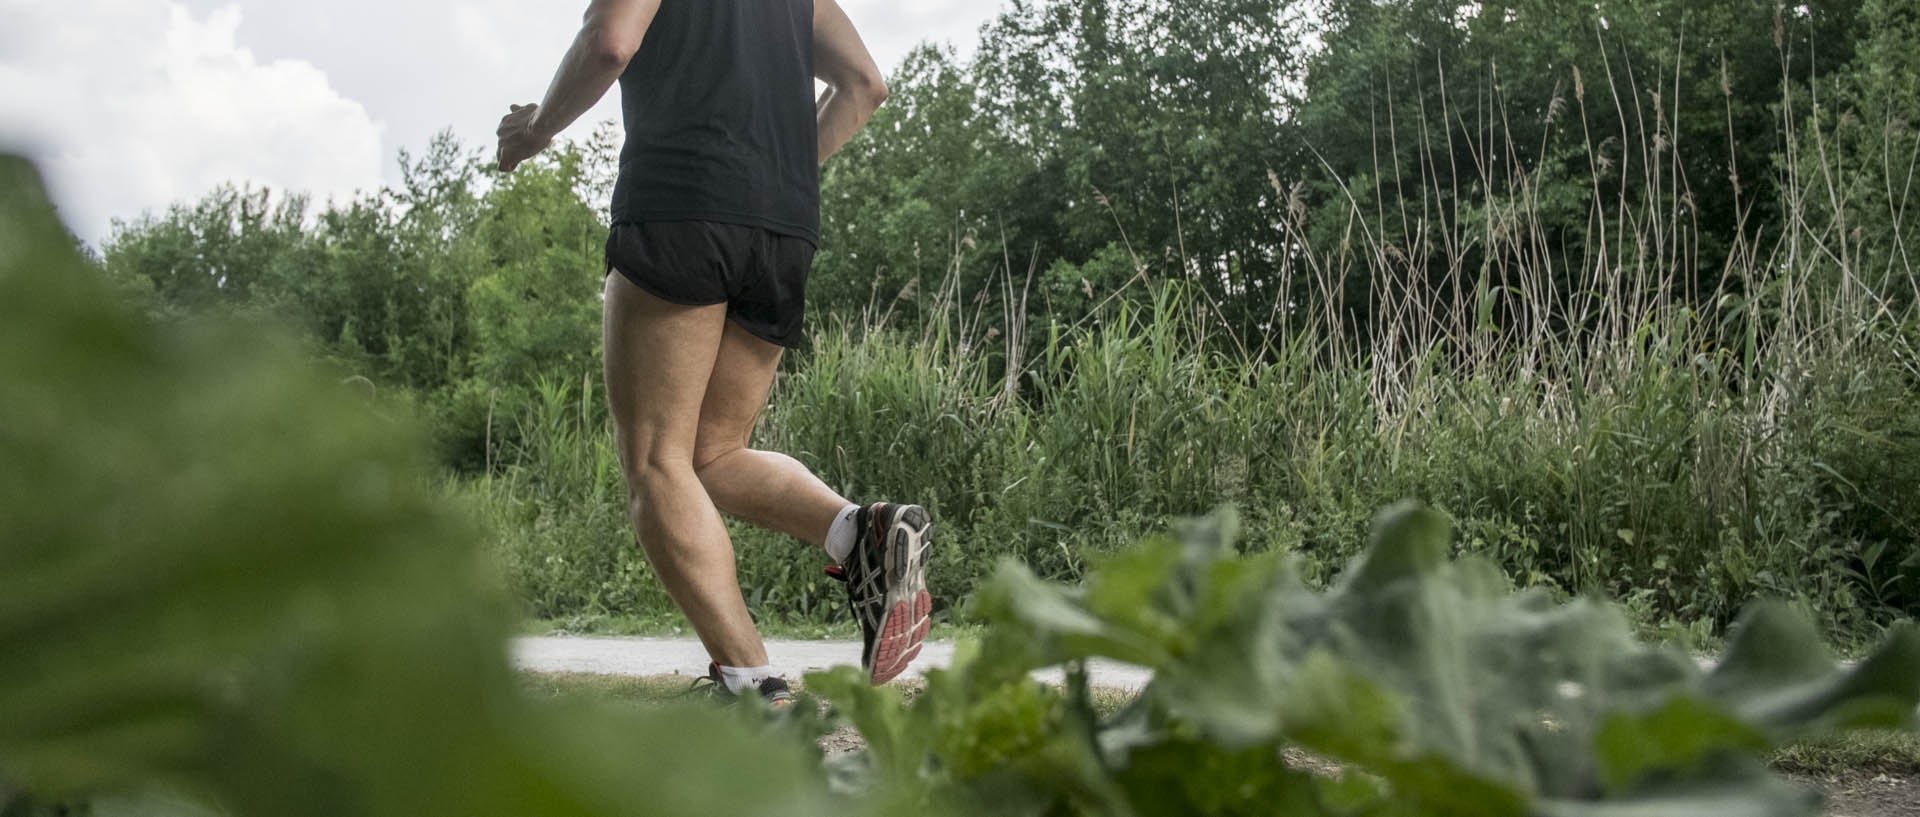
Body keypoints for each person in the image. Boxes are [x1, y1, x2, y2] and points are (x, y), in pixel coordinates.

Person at [494, 0, 931, 705]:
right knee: (712, 453)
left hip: (682, 203)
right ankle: (859, 534)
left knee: (655, 459)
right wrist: (767, 176)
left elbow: (610, 43)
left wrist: (537, 130)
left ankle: (753, 686)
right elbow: (865, 85)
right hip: (783, 222)